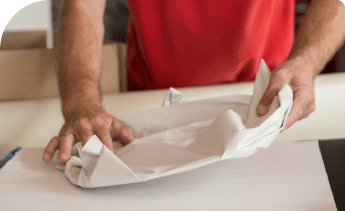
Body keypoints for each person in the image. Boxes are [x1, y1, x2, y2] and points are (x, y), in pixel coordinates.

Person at [42, 0, 345, 165]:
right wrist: (81, 103)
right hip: (151, 109)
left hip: (269, 104)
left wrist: (305, 61)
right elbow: (83, 5)